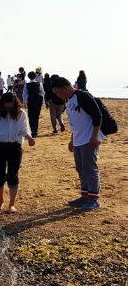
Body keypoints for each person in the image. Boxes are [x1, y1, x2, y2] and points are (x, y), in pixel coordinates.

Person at [51, 77, 103, 210]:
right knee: (81, 168)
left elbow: (97, 115)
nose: (57, 95)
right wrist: (72, 139)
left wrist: (95, 136)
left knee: (90, 168)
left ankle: (93, 199)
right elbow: (75, 123)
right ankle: (85, 196)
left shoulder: (82, 96)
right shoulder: (69, 101)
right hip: (78, 140)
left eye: (57, 92)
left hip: (89, 138)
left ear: (65, 88)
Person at [0, 92, 36, 213]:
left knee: (13, 174)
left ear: (14, 103)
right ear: (2, 103)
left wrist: (29, 138)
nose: (8, 107)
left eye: (10, 104)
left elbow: (24, 129)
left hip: (15, 147)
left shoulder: (21, 114)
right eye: (6, 104)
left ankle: (12, 204)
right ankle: (0, 201)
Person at [23, 71, 44, 137]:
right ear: (35, 76)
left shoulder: (27, 84)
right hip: (38, 102)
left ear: (28, 77)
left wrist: (25, 103)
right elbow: (42, 93)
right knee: (36, 117)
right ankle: (36, 131)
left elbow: (24, 94)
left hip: (31, 102)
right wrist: (43, 102)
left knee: (31, 117)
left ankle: (33, 131)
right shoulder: (39, 84)